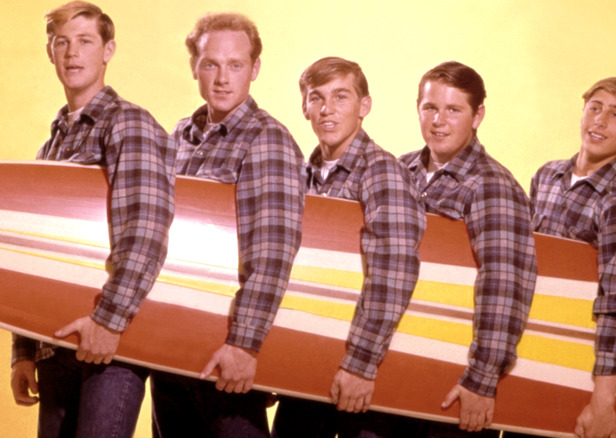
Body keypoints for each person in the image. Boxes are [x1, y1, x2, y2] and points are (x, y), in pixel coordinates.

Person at [9, 2, 176, 437]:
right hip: (55, 343)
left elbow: (147, 230)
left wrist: (109, 321)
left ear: (108, 50)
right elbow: (33, 254)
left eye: (85, 41)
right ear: (49, 52)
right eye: (61, 42)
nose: (72, 53)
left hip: (111, 345)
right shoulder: (49, 149)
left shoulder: (129, 124)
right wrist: (23, 350)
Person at [149, 12, 305, 438]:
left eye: (235, 65)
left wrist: (245, 344)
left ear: (254, 69)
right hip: (172, 349)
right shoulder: (178, 137)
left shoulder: (267, 139)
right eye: (211, 64)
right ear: (194, 68)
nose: (222, 78)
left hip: (227, 350)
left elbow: (273, 253)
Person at [271, 56, 426, 438]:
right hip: (307, 367)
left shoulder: (382, 172)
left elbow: (393, 272)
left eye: (341, 97)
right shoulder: (301, 175)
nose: (327, 109)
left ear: (364, 106)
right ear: (304, 107)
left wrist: (360, 364)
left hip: (361, 373)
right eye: (316, 98)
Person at [399, 61, 537, 436]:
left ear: (478, 116)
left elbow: (505, 285)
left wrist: (482, 378)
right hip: (401, 366)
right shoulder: (399, 171)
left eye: (453, 109)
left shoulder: (492, 186)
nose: (438, 121)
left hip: (455, 378)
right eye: (430, 108)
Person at [528, 77, 616, 438]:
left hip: (574, 359)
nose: (600, 121)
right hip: (529, 347)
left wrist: (603, 402)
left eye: (615, 115)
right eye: (595, 107)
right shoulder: (547, 176)